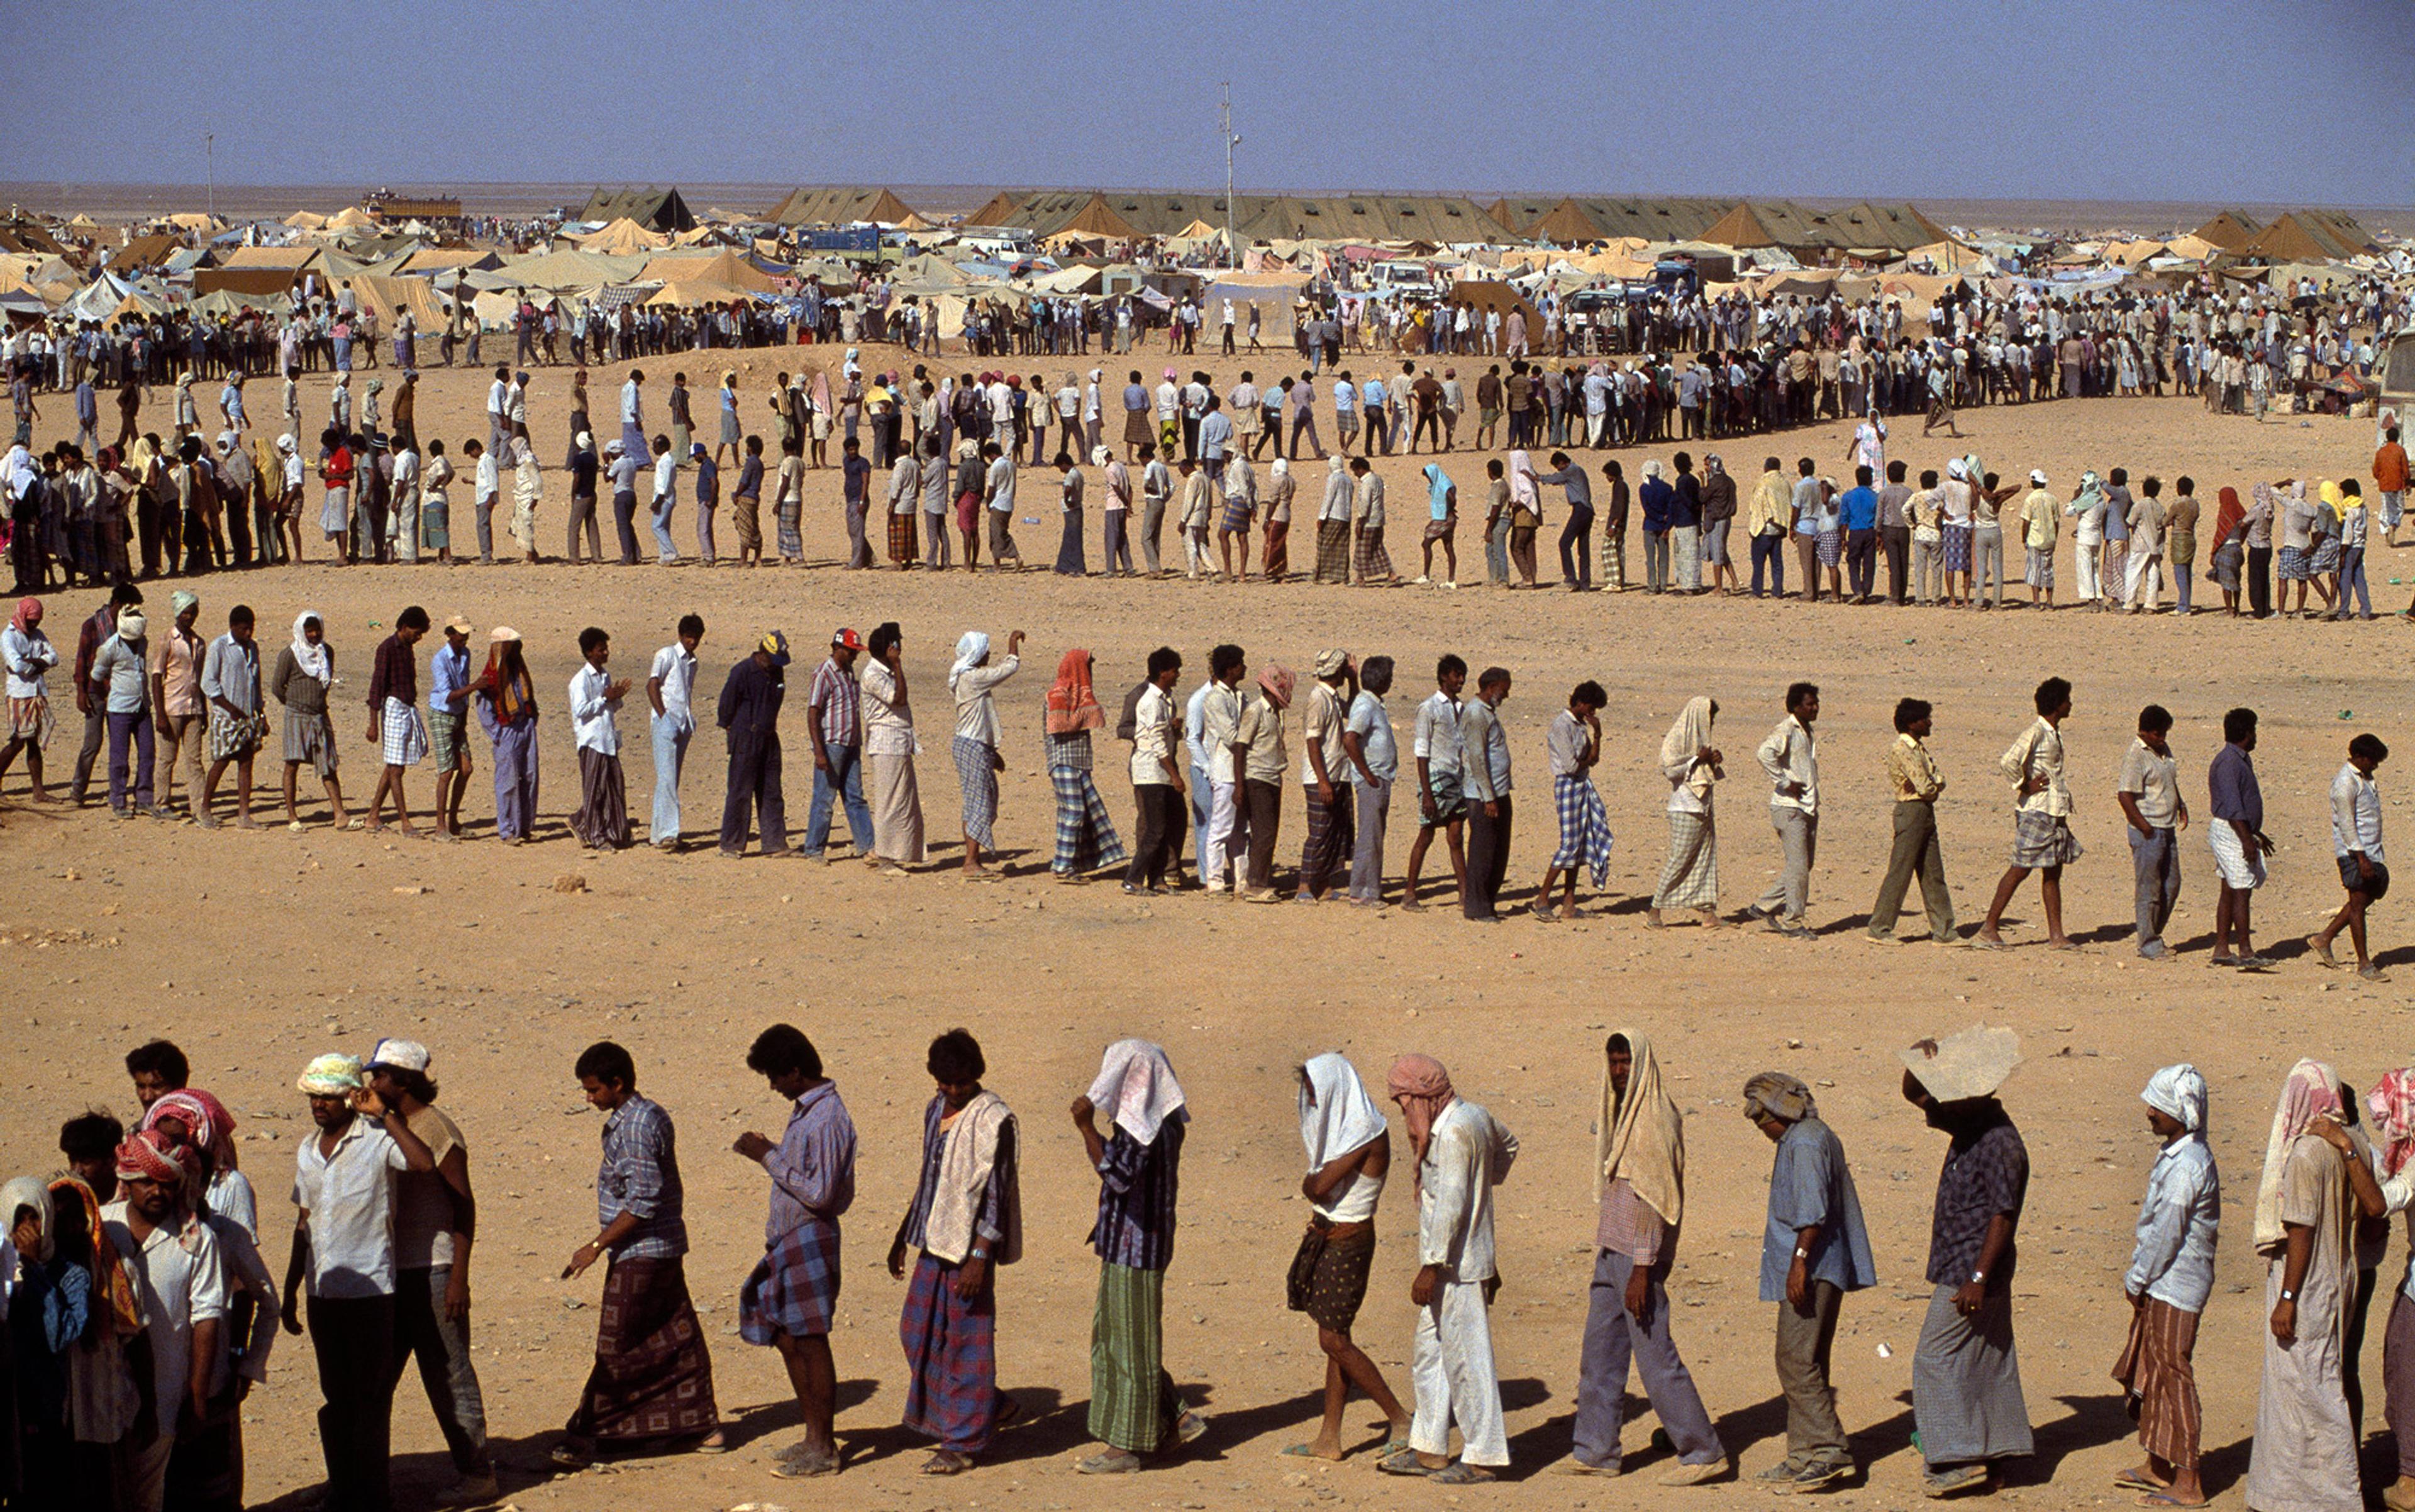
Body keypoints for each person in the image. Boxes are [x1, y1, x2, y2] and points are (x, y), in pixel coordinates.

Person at [1562, 1030, 1729, 1484]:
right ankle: (1596, 1450)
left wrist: (1641, 1269)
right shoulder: (1624, 1115)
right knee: (1599, 1356)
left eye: (1626, 1063)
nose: (1618, 1072)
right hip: (1611, 1250)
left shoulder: (1654, 1119)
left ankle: (1703, 1452)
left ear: (1642, 1065)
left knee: (1656, 1360)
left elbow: (1656, 1199)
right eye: (1614, 1062)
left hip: (1639, 1261)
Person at [277, 1052, 437, 1512]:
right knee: (336, 1399)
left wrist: (384, 1115)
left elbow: (422, 1163)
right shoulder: (308, 1151)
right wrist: (291, 1288)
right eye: (314, 1098)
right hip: (322, 1292)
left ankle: (372, 1496)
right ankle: (343, 1490)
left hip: (370, 1291)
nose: (319, 1106)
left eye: (329, 1097)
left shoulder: (377, 1139)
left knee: (369, 1401)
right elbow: (304, 1222)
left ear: (351, 1097)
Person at [555, 1041, 724, 1468]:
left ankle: (588, 1435)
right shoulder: (648, 1114)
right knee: (674, 1332)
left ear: (618, 1083)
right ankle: (700, 1425)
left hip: (643, 1251)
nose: (588, 1099)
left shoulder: (633, 1128)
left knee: (617, 1344)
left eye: (594, 1090)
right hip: (661, 1246)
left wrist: (594, 1247)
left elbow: (643, 1201)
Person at [1900, 1027, 2033, 1496]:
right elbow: (1914, 1093)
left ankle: (1958, 1458)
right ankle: (1994, 1454)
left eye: (1944, 1096)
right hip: (1968, 1267)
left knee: (1935, 1359)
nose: (1934, 1108)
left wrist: (1978, 1277)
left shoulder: (1999, 1143)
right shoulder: (1972, 1124)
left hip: (1972, 1273)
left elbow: (2003, 1215)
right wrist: (1921, 1060)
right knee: (1985, 1361)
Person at [364, 1039, 496, 1504]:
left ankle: (477, 1474)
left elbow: (464, 1207)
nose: (372, 1083)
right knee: (377, 1378)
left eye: (379, 1075)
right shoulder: (384, 1126)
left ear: (403, 1080)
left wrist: (459, 1278)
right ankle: (362, 1479)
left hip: (435, 1269)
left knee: (450, 1375)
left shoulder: (437, 1129)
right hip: (391, 1274)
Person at [2246, 1059, 2382, 1512]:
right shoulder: (2353, 1143)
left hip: (2306, 1285)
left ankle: (2327, 1494)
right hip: (2340, 1279)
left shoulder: (2306, 1153)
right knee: (2324, 1380)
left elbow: (2300, 1228)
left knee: (2304, 1389)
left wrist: (2287, 1298)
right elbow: (2374, 1211)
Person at [889, 1028, 1021, 1476]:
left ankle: (962, 1443)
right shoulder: (934, 1110)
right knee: (915, 1331)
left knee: (966, 1342)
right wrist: (903, 1234)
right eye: (944, 1084)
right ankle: (989, 1403)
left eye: (960, 1084)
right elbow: (931, 1176)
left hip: (968, 1250)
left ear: (975, 1075)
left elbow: (996, 1196)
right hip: (933, 1238)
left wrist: (980, 1258)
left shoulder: (993, 1120)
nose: (952, 1092)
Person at [1378, 1054, 1516, 1485]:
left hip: (1456, 1268)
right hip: (1456, 1263)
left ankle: (1483, 1457)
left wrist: (1431, 1266)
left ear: (1423, 1097)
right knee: (1431, 1356)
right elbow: (1508, 1148)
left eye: (1404, 1103)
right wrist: (1483, 1191)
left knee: (1467, 1362)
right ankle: (1429, 1449)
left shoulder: (1455, 1132)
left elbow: (1453, 1205)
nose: (1404, 1113)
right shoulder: (1475, 1115)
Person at [1071, 1040, 1202, 1474]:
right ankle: (1177, 1418)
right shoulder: (1163, 1123)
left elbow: (1117, 1175)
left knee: (1127, 1346)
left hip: (1135, 1249)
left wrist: (1087, 1128)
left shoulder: (1140, 1130)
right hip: (1134, 1245)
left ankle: (1126, 1447)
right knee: (1123, 1336)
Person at [1742, 1071, 1876, 1493]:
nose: (1761, 1129)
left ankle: (1830, 1450)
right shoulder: (1810, 1137)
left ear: (1776, 1112)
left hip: (1813, 1269)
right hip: (1817, 1266)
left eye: (1761, 1120)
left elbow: (1812, 1213)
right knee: (1809, 1359)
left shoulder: (1805, 1142)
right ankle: (1804, 1455)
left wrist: (1798, 1264)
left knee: (1795, 1360)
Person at [735, 1025, 857, 1480]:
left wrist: (767, 1155)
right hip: (790, 1238)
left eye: (775, 1077)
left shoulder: (827, 1119)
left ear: (794, 1071)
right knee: (788, 1337)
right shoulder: (808, 1112)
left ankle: (824, 1447)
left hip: (810, 1235)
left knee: (809, 1339)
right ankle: (812, 1437)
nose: (772, 1086)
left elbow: (821, 1193)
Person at [1285, 1053, 1412, 1461]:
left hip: (1348, 1244)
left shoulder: (1364, 1132)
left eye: (1316, 1096)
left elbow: (1319, 1187)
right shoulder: (1347, 1130)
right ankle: (1329, 1439)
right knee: (1336, 1337)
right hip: (1329, 1237)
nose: (1313, 1106)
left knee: (1334, 1340)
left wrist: (1310, 1183)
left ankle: (1400, 1419)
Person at [104, 1130, 226, 1512]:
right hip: (100, 1389)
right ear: (127, 1180)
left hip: (166, 1391)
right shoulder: (101, 1226)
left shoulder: (197, 1239)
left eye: (166, 1183)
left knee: (146, 1496)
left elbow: (206, 1317)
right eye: (145, 1182)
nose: (156, 1192)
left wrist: (197, 1396)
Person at [2114, 1065, 2218, 1511]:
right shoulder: (2177, 1153)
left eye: (2159, 1106)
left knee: (2173, 1375)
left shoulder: (2189, 1166)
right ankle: (2159, 1462)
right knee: (2154, 1370)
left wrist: (2138, 1278)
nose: (2150, 1113)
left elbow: (2168, 1233)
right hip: (2163, 1282)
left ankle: (2189, 1480)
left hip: (2176, 1285)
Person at [1974, 678, 2080, 951]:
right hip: (2037, 811)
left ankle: (2056, 935)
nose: (2071, 704)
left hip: (2053, 810)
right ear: (2058, 705)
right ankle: (1989, 927)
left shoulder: (2052, 733)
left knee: (2052, 872)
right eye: (2068, 699)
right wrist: (2023, 785)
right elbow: (2008, 760)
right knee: (2020, 868)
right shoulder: (2036, 731)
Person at [1867, 696, 1955, 943]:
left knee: (1933, 874)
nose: (1930, 723)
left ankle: (1945, 931)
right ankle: (1879, 928)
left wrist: (1933, 786)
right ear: (1912, 723)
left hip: (1924, 811)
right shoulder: (1902, 749)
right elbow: (1927, 785)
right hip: (1911, 811)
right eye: (1925, 719)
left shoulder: (1918, 748)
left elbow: (1938, 780)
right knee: (1900, 871)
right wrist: (1933, 787)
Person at [2308, 733, 2390, 981]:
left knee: (2363, 900)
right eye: (2373, 760)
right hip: (2356, 855)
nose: (2375, 765)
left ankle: (2324, 938)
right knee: (2357, 905)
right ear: (2359, 757)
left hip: (2371, 852)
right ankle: (2364, 963)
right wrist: (2361, 859)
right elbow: (2347, 825)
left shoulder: (2365, 778)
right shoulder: (2345, 784)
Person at [1044, 648, 1126, 882]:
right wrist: (1082, 715)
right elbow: (1061, 726)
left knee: (1080, 812)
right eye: (1086, 667)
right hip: (1063, 761)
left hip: (1078, 763)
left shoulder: (1079, 697)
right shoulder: (1058, 695)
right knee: (1074, 811)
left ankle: (1069, 863)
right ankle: (1062, 866)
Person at [949, 628, 1023, 878]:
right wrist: (1012, 645)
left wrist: (992, 752)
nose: (989, 654)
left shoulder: (967, 677)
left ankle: (974, 858)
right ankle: (970, 862)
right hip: (972, 746)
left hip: (975, 746)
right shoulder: (971, 678)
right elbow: (1007, 669)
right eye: (985, 651)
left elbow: (981, 721)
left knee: (979, 802)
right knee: (978, 803)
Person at [1535, 680, 1611, 922]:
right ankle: (1542, 898)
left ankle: (1569, 903)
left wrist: (1597, 734)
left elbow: (1592, 759)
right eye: (1591, 707)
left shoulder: (1580, 726)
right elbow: (1571, 765)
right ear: (1579, 702)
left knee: (1579, 845)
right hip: (1568, 785)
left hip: (1582, 784)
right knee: (1569, 845)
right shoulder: (1562, 725)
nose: (1592, 713)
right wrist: (1586, 762)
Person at [1750, 682, 1820, 938]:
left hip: (1807, 808)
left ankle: (1763, 906)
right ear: (1795, 707)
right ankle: (1792, 922)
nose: (1815, 708)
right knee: (1799, 867)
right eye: (1809, 704)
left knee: (1803, 865)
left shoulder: (1806, 731)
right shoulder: (1786, 729)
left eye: (1816, 703)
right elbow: (1764, 753)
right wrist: (1784, 782)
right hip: (1789, 809)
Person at [2118, 704, 2188, 960]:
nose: (2162, 739)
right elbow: (2125, 795)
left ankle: (2153, 934)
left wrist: (2181, 805)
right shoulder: (2136, 754)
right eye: (2158, 734)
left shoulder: (2162, 751)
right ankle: (2147, 944)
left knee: (2172, 883)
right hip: (2148, 831)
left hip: (2167, 828)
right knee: (2149, 888)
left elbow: (2169, 780)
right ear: (2145, 732)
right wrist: (2144, 826)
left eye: (2164, 734)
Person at [2208, 706, 2275, 967]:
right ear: (2247, 733)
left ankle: (2222, 949)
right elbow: (2233, 806)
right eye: (2254, 731)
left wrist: (2256, 833)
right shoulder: (2229, 763)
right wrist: (2247, 840)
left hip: (2238, 829)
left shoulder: (2239, 759)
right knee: (2241, 889)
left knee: (2229, 888)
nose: (2256, 736)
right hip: (2231, 831)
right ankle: (2246, 951)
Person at [1401, 655, 1468, 913]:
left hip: (1455, 778)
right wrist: (1427, 793)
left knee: (1456, 837)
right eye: (1456, 675)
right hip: (1435, 779)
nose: (1461, 680)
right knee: (1426, 835)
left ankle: (1464, 894)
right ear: (1443, 677)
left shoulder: (1461, 708)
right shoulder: (1429, 708)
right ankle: (1409, 893)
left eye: (1463, 675)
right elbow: (1422, 752)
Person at [1650, 696, 1724, 929]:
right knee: (1680, 859)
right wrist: (1696, 759)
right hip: (1685, 808)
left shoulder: (1702, 739)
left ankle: (1708, 913)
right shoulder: (1677, 739)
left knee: (1705, 859)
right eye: (1708, 718)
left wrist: (1712, 762)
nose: (1710, 724)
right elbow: (1670, 771)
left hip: (1703, 807)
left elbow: (1705, 773)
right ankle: (1654, 911)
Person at [716, 630, 792, 859]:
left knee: (771, 791)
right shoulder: (742, 672)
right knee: (740, 791)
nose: (774, 665)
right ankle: (731, 845)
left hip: (769, 737)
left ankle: (775, 843)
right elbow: (726, 707)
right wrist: (736, 732)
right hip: (746, 737)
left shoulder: (777, 672)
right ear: (761, 653)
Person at [804, 628, 877, 862]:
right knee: (825, 799)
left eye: (856, 652)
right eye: (851, 651)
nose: (855, 656)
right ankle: (814, 849)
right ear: (837, 648)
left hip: (851, 744)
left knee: (855, 796)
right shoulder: (824, 674)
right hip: (832, 745)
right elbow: (814, 712)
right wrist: (819, 751)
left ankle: (868, 846)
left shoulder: (848, 672)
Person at [271, 609, 346, 828]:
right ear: (302, 631)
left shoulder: (327, 652)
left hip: (320, 715)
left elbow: (326, 681)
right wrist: (296, 704)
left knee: (328, 765)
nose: (314, 635)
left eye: (317, 630)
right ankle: (293, 816)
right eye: (310, 631)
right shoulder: (290, 654)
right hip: (296, 714)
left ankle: (340, 813)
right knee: (292, 764)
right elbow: (277, 687)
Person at [860, 621, 923, 872]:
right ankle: (885, 858)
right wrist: (897, 664)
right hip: (886, 743)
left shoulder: (884, 672)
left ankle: (896, 852)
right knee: (889, 801)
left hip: (898, 742)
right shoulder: (873, 674)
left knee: (903, 801)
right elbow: (898, 698)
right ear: (891, 647)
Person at [1295, 648, 1357, 903]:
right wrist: (1322, 780)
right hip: (1322, 775)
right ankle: (1304, 886)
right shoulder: (1318, 698)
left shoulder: (1332, 697)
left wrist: (1354, 680)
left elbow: (1353, 710)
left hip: (1338, 773)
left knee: (1336, 831)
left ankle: (1325, 883)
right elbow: (1313, 740)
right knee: (1319, 832)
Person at [1124, 646, 1186, 894]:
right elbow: (1156, 744)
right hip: (1151, 771)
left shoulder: (1165, 700)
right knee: (1155, 829)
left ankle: (1157, 879)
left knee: (1166, 826)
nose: (1178, 675)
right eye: (1174, 671)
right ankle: (1133, 879)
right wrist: (1175, 775)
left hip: (1160, 771)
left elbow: (1163, 736)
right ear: (1163, 672)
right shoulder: (1150, 701)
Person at [362, 605, 429, 837]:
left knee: (393, 766)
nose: (418, 637)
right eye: (416, 632)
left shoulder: (407, 649)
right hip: (393, 710)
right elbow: (377, 687)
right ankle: (405, 822)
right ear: (404, 627)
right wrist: (373, 724)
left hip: (407, 708)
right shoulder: (387, 649)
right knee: (396, 768)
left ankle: (373, 816)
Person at [197, 603, 265, 830]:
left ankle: (244, 815)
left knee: (246, 763)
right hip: (227, 717)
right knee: (222, 761)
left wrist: (260, 713)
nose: (248, 633)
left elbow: (256, 682)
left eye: (251, 628)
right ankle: (205, 808)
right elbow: (208, 682)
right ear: (233, 627)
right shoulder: (219, 647)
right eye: (244, 629)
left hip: (248, 717)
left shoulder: (253, 648)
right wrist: (230, 707)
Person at [467, 628, 539, 843]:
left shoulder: (519, 669)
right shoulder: (491, 677)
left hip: (525, 726)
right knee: (507, 782)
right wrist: (498, 733)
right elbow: (484, 710)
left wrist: (531, 719)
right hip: (506, 730)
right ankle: (507, 830)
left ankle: (525, 826)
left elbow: (528, 697)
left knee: (530, 776)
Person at [566, 626, 633, 850]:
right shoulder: (581, 680)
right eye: (601, 650)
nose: (605, 653)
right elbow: (581, 710)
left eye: (606, 649)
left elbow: (610, 708)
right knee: (594, 791)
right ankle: (596, 837)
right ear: (589, 652)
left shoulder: (605, 676)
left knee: (614, 787)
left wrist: (615, 698)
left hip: (608, 740)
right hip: (592, 741)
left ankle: (613, 832)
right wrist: (605, 698)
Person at [1458, 665, 1514, 921]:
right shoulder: (1476, 714)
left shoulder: (1487, 713)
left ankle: (1488, 903)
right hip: (1483, 797)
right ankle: (1478, 908)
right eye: (1504, 690)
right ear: (1491, 688)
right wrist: (1489, 797)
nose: (1506, 696)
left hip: (1498, 792)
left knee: (1498, 852)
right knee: (1483, 852)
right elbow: (1477, 758)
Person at [1341, 654, 1397, 906]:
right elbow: (1350, 739)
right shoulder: (1366, 706)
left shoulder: (1371, 703)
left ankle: (1368, 888)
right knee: (1370, 837)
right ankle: (1364, 892)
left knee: (1374, 835)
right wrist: (1367, 774)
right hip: (1372, 780)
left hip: (1379, 778)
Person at [645, 614, 703, 851]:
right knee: (667, 778)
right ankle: (669, 833)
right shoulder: (666, 654)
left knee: (669, 780)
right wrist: (663, 716)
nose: (693, 642)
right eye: (689, 637)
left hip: (683, 723)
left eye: (696, 638)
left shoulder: (693, 662)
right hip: (666, 722)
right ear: (681, 635)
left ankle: (658, 835)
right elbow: (652, 685)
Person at [147, 590, 206, 819]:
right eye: (185, 613)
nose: (189, 617)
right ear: (177, 614)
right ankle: (161, 803)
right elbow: (156, 676)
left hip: (194, 708)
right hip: (172, 707)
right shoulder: (167, 640)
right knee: (167, 759)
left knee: (195, 760)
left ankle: (199, 807)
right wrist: (159, 713)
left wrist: (205, 710)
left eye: (192, 613)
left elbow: (199, 678)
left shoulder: (199, 643)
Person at [423, 614, 474, 842]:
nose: (464, 638)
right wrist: (474, 687)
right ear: (449, 634)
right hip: (442, 714)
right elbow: (448, 695)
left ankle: (453, 821)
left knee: (465, 769)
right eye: (460, 634)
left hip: (458, 716)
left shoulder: (465, 655)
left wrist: (464, 717)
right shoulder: (440, 660)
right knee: (446, 771)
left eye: (466, 634)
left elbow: (462, 691)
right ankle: (440, 826)